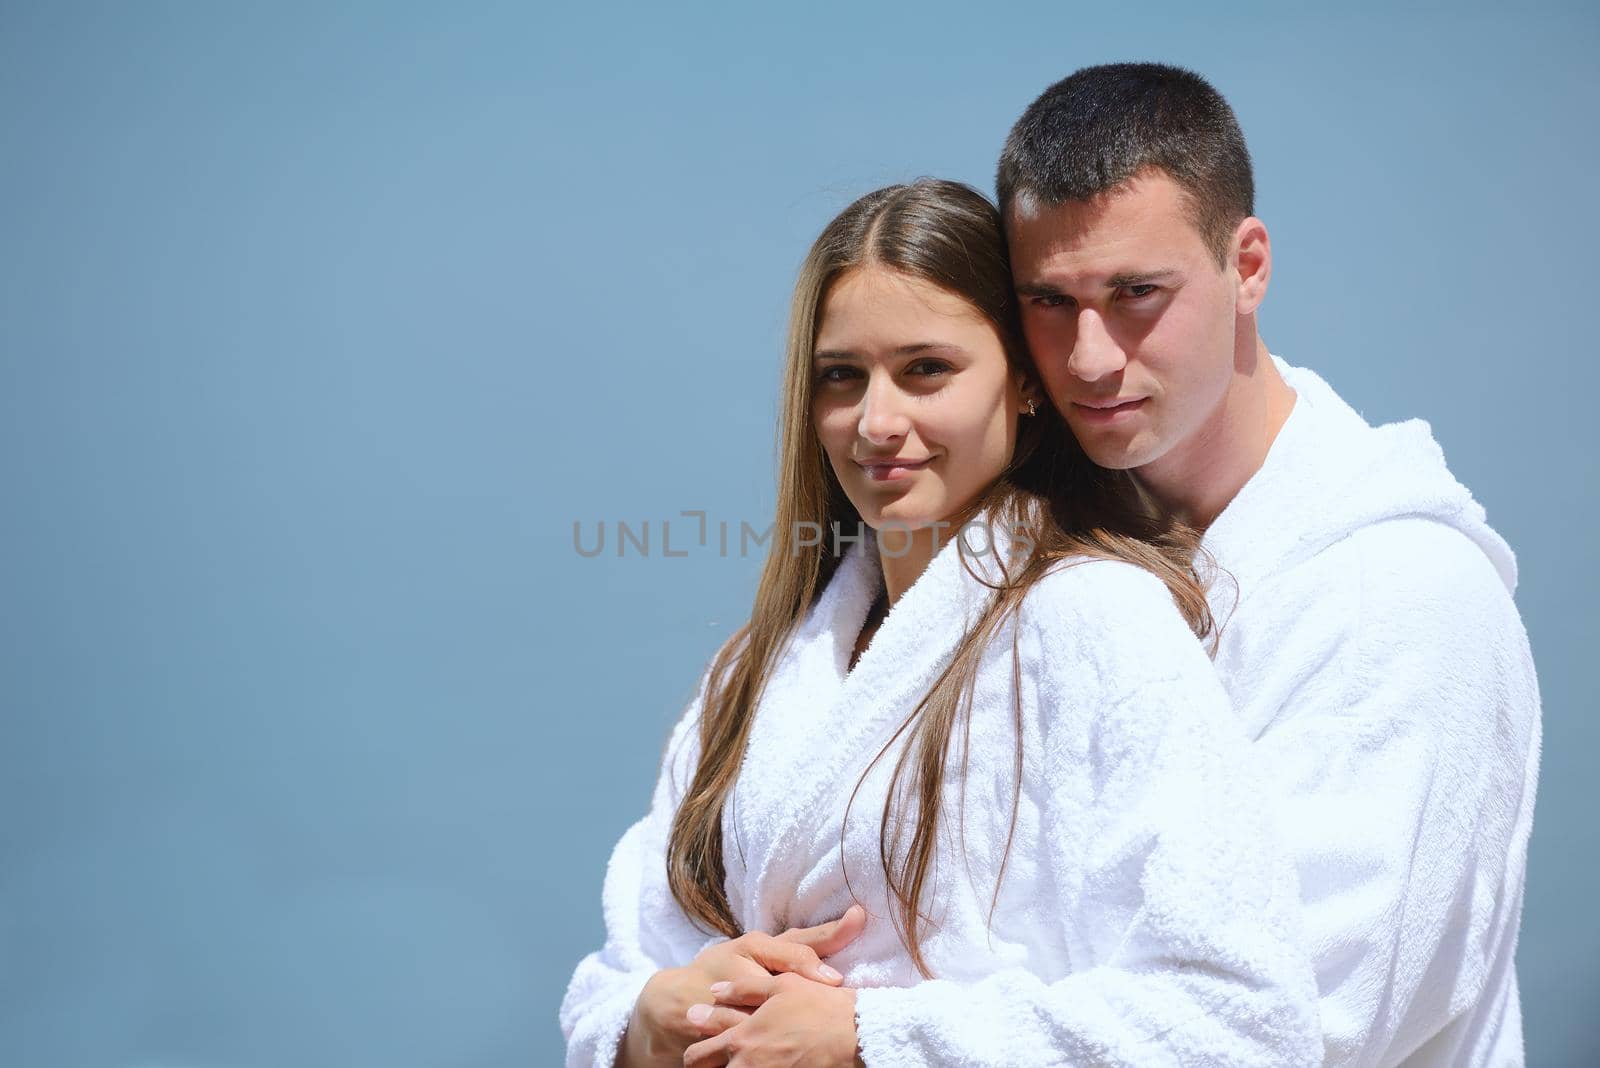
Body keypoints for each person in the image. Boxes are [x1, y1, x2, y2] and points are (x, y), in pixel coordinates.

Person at [560, 179, 1322, 1067]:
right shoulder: (754, 674)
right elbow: (625, 968)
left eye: (927, 370)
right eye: (841, 377)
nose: (878, 423)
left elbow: (1240, 1016)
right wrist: (648, 1017)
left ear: (1028, 385)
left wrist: (874, 1038)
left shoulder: (1097, 622)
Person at [996, 63, 1542, 1066]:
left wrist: (876, 1035)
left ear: (1247, 265)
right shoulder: (1030, 563)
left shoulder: (1406, 601)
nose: (1086, 357)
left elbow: (1280, 1023)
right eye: (1048, 300)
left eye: (1135, 294)